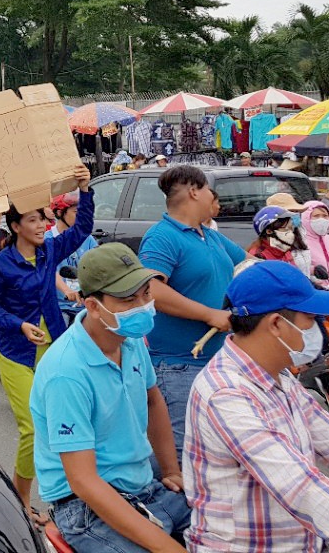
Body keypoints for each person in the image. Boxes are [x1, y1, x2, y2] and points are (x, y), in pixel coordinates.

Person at [184, 260, 329, 552]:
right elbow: (300, 487)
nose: (317, 331)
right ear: (276, 324)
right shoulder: (226, 394)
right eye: (310, 320)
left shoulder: (279, 376)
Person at [30, 243, 190, 553]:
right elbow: (84, 482)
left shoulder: (129, 340)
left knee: (231, 523)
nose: (143, 305)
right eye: (129, 299)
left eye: (146, 294)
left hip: (144, 485)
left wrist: (172, 471)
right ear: (92, 306)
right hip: (85, 507)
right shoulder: (66, 371)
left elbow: (153, 400)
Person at [0, 164, 92, 523]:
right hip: (16, 354)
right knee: (32, 428)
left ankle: (69, 494)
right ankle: (21, 498)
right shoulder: (2, 265)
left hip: (54, 351)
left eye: (43, 219)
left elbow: (83, 228)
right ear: (15, 227)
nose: (42, 225)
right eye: (33, 220)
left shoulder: (49, 252)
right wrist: (20, 325)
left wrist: (85, 190)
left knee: (63, 424)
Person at [138, 165, 247, 459]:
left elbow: (248, 265)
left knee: (216, 454)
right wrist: (209, 315)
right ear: (194, 190)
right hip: (179, 367)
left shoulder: (209, 236)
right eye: (210, 189)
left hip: (220, 363)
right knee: (178, 460)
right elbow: (152, 290)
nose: (214, 196)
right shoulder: (162, 236)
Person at [47, 192, 98, 315]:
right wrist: (66, 290)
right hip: (59, 306)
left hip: (85, 304)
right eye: (76, 212)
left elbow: (98, 263)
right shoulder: (47, 240)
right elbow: (48, 269)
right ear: (59, 213)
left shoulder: (87, 238)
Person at [302, 200, 329, 288]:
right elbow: (298, 269)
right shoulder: (300, 241)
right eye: (316, 216)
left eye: (325, 216)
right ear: (306, 218)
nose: (321, 219)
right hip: (315, 293)